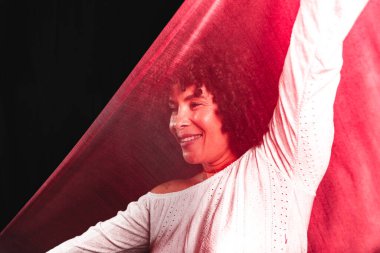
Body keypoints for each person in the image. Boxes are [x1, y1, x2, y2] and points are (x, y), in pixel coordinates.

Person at [48, 0, 369, 252]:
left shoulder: (281, 165)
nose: (177, 122)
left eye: (195, 104)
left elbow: (315, 44)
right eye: (174, 108)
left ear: (229, 106)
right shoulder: (157, 204)